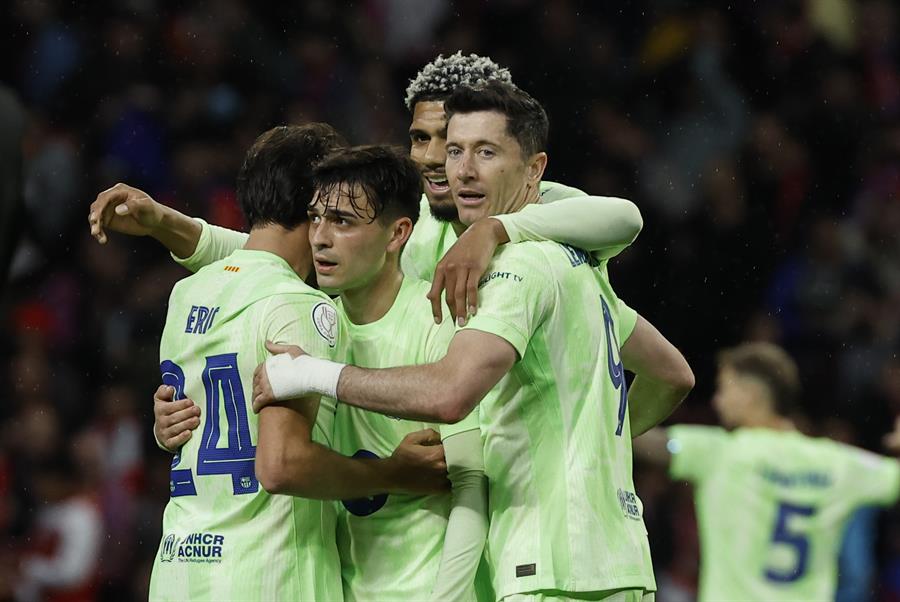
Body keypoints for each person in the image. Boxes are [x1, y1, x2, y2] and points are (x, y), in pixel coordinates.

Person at [255, 82, 695, 601]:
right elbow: (673, 375)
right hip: (613, 558)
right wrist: (592, 446)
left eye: (485, 152)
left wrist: (308, 374)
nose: (459, 169)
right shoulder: (580, 262)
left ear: (534, 169)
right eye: (454, 150)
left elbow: (449, 393)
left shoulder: (519, 266)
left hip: (552, 563)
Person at [147, 124, 446, 601]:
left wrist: (165, 428)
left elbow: (192, 420)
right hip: (266, 571)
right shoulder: (301, 305)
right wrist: (393, 474)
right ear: (313, 204)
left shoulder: (188, 292)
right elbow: (282, 465)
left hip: (179, 567)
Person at [304, 144, 489, 600]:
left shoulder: (440, 323)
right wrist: (171, 424)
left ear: (397, 234)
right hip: (336, 589)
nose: (320, 237)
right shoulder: (310, 326)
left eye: (342, 221)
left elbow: (472, 485)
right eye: (315, 218)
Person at [632, 342, 900, 602]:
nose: (717, 401)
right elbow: (893, 478)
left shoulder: (721, 454)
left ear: (749, 393)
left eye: (724, 388)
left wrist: (611, 408)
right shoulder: (836, 463)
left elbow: (648, 443)